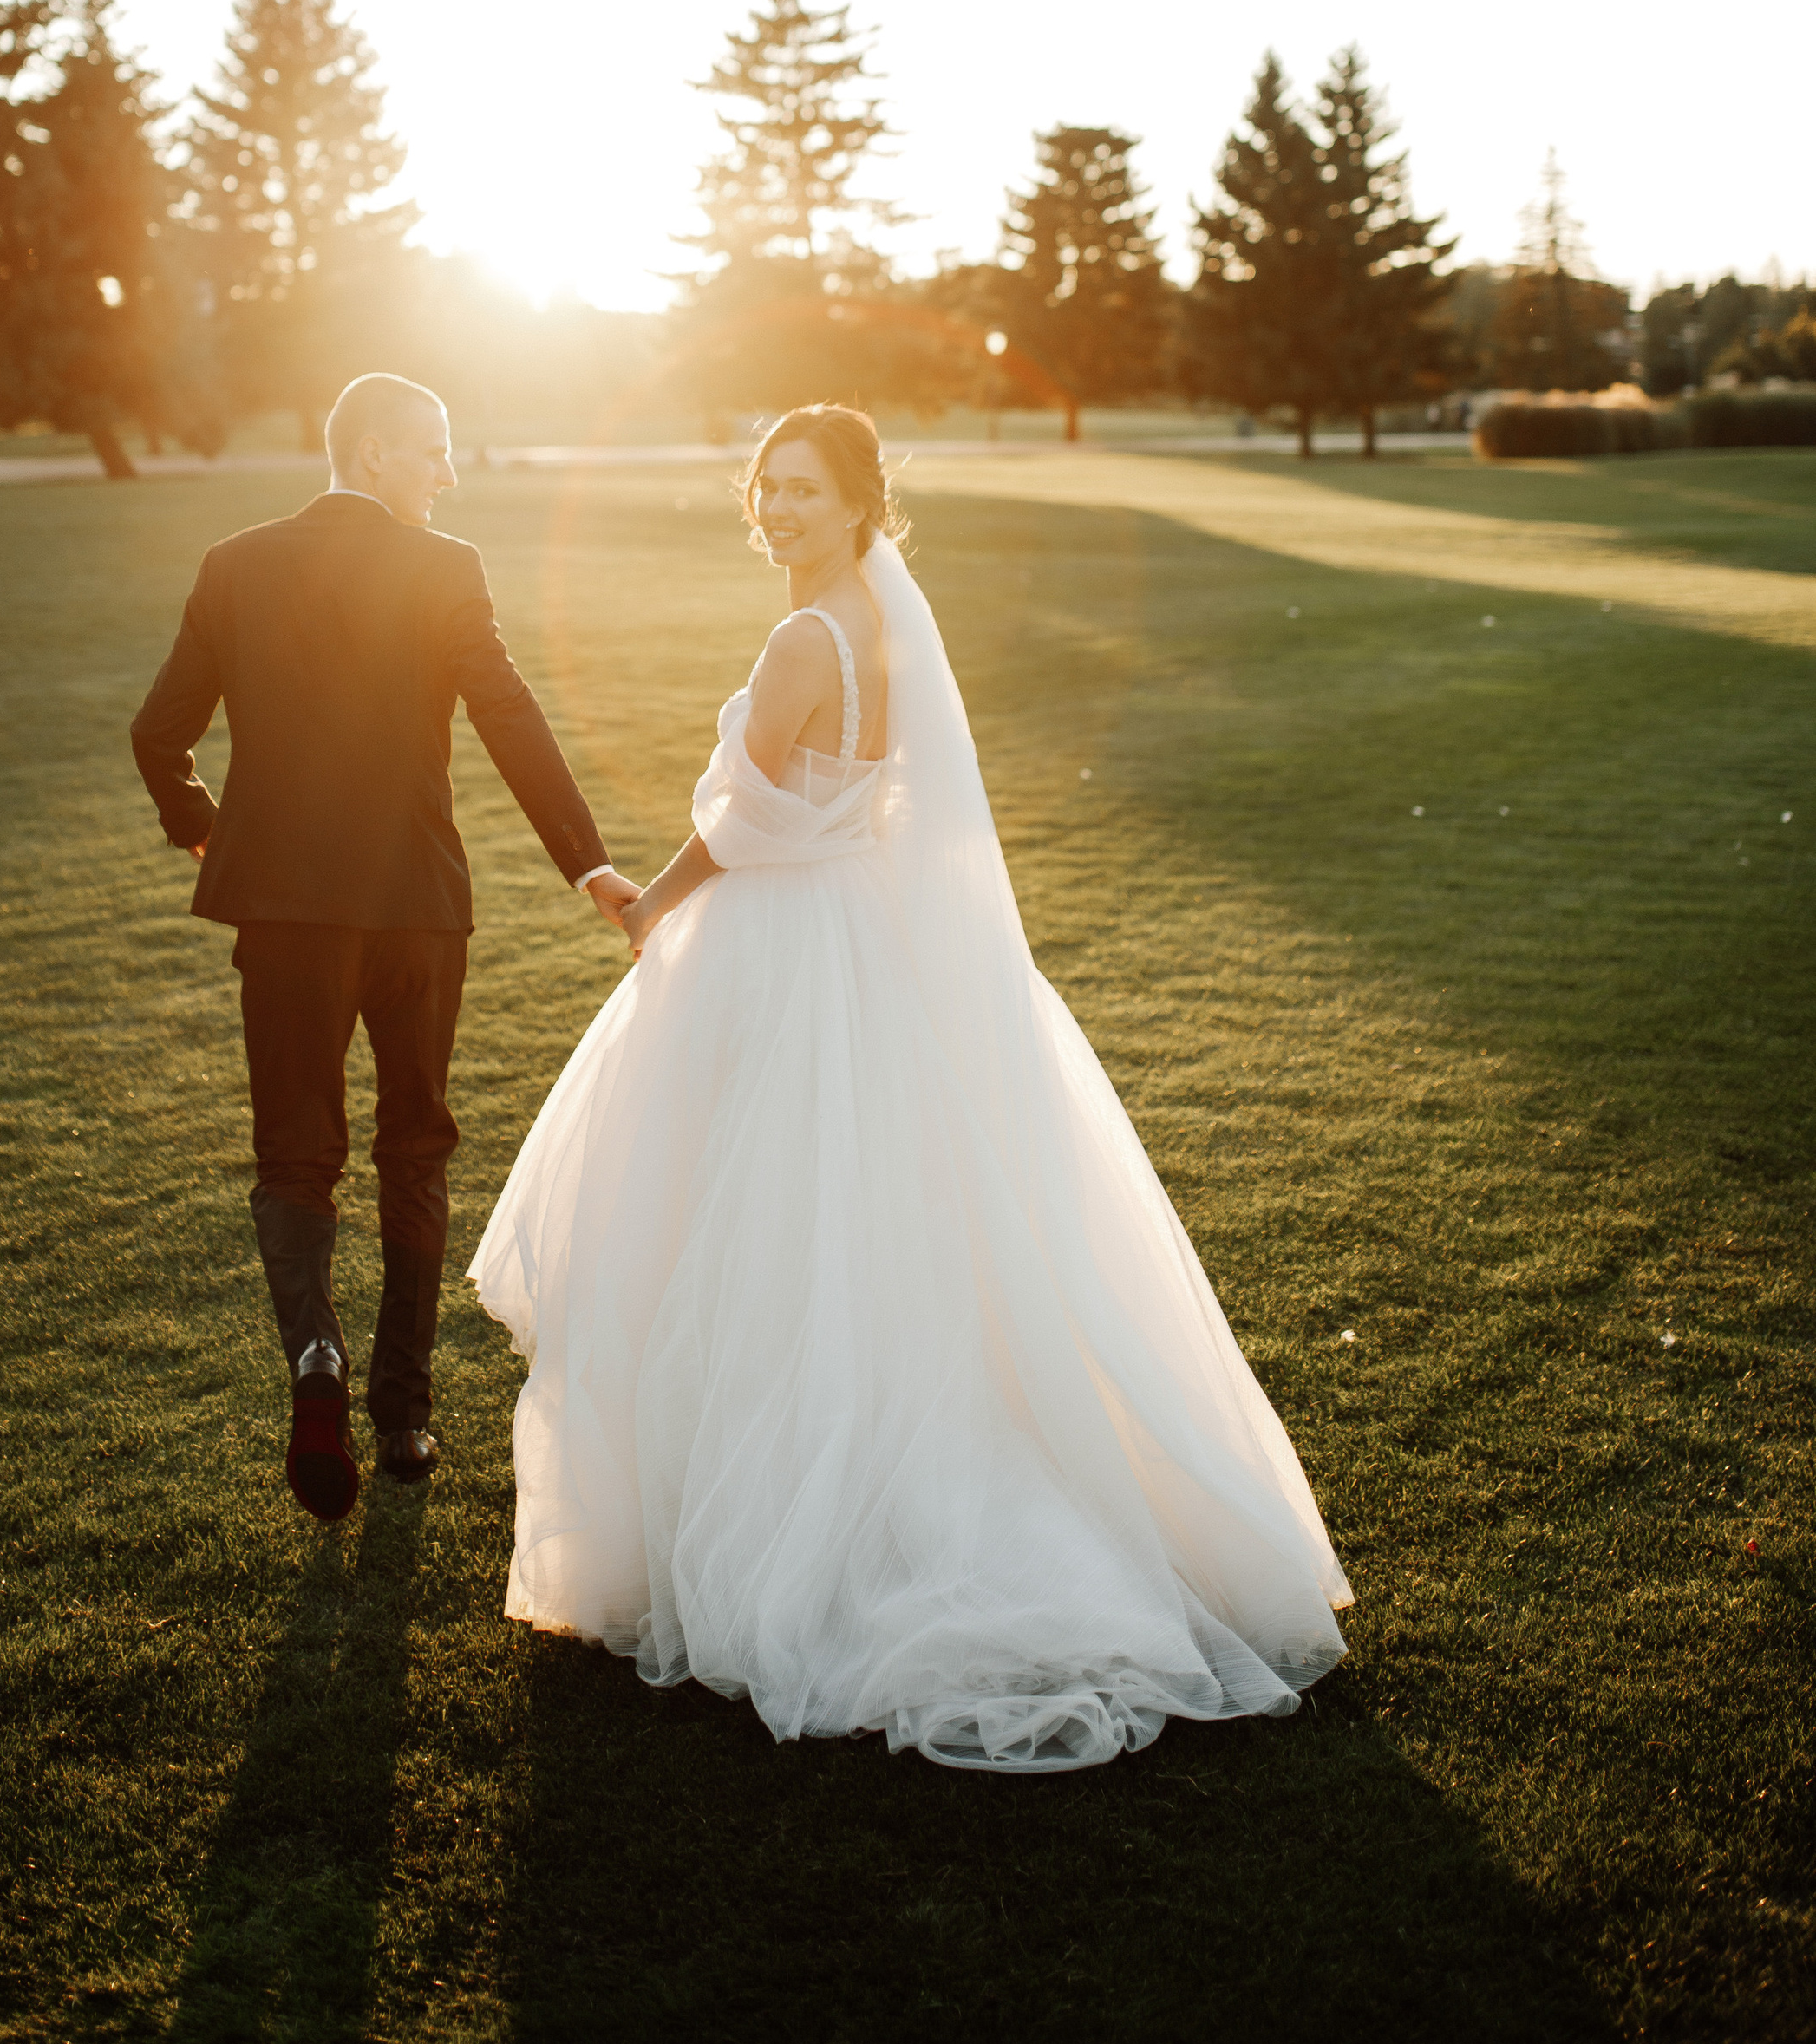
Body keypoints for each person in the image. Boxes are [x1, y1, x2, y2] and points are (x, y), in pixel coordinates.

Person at [470, 402, 1351, 1773]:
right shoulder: (882, 631)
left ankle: (788, 1532)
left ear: (862, 505)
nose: (776, 510)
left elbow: (748, 819)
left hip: (780, 941)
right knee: (881, 1220)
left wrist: (654, 902)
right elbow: (868, 797)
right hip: (866, 928)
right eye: (764, 488)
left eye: (805, 492)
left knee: (753, 1226)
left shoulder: (805, 638)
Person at [131, 374, 639, 1525]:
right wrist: (587, 862)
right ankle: (405, 1415)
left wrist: (207, 830)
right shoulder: (444, 568)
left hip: (286, 916)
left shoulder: (233, 564)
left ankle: (316, 1357)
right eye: (430, 451)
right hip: (417, 910)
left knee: (295, 1157)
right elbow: (508, 710)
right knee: (416, 1146)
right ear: (367, 454)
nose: (447, 473)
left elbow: (158, 733)